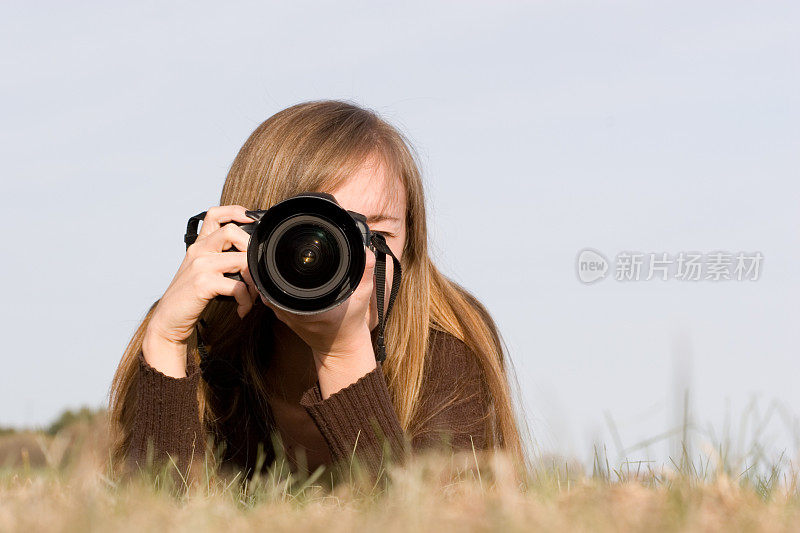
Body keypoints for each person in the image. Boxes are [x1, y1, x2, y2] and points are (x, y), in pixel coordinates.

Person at [108, 100, 524, 482]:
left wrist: (344, 354)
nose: (347, 259)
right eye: (311, 235)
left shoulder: (447, 336)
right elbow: (152, 515)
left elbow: (436, 521)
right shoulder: (193, 334)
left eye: (375, 235)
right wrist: (164, 345)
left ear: (411, 244)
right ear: (247, 236)